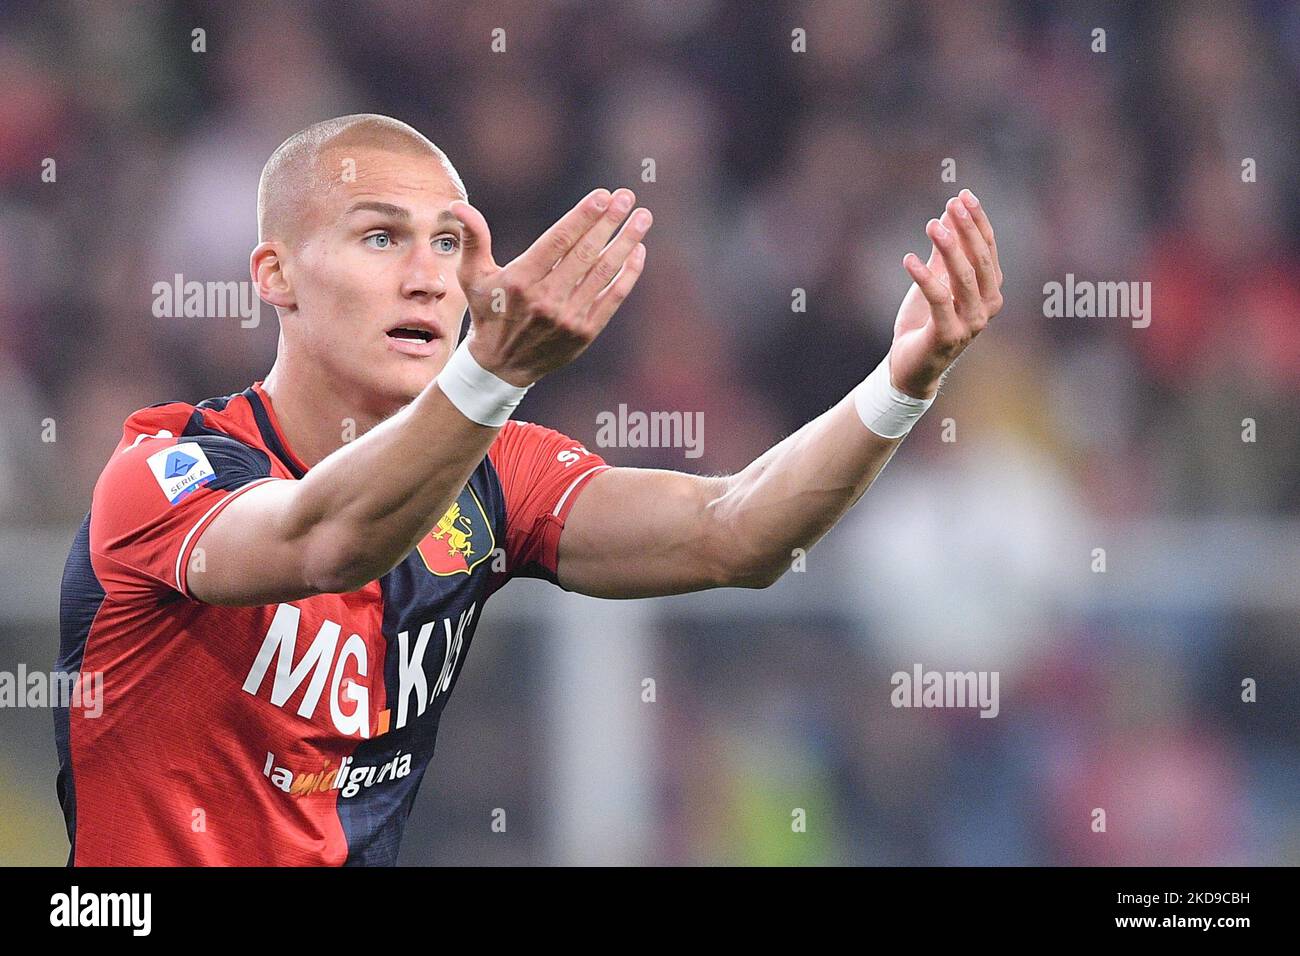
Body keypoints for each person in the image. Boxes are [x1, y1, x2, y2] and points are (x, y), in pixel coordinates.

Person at [54, 114, 1003, 865]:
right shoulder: (164, 471)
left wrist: (901, 385)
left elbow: (736, 532)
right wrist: (493, 375)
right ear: (276, 275)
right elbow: (324, 540)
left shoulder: (497, 475)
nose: (427, 279)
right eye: (380, 238)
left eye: (448, 245)